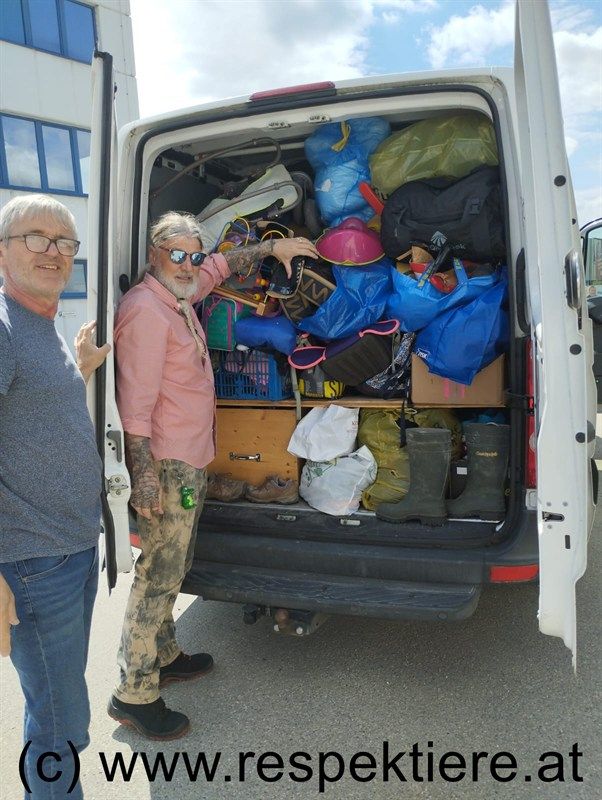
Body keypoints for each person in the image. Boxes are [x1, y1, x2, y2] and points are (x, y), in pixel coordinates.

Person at [108, 211, 319, 740]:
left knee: (175, 565)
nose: (188, 265)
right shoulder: (145, 311)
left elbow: (221, 267)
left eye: (193, 255)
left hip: (190, 457)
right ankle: (133, 692)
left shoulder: (179, 294)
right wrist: (144, 477)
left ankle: (165, 655)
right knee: (158, 574)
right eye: (177, 255)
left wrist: (271, 249)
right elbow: (134, 408)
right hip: (166, 464)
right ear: (155, 255)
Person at [0, 194, 110, 800]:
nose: (53, 251)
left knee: (53, 703)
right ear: (2, 251)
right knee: (59, 725)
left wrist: (82, 368)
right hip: (33, 561)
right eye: (35, 238)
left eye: (64, 242)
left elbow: (33, 409)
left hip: (69, 549)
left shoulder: (40, 326)